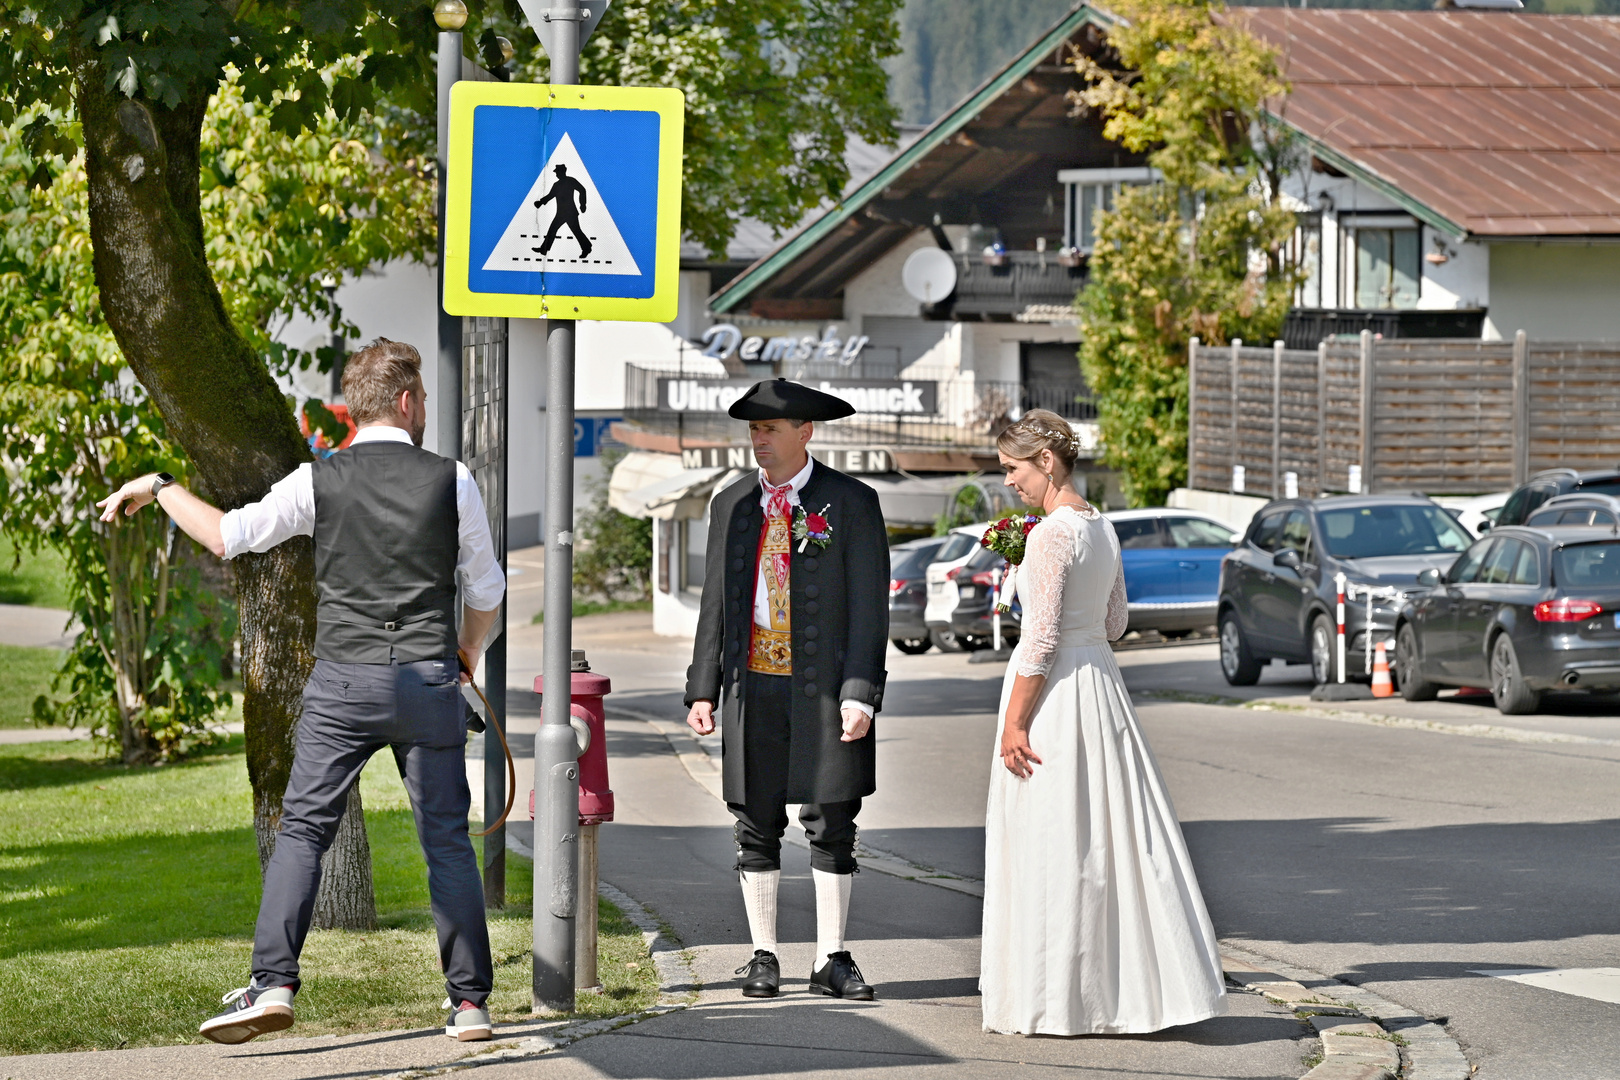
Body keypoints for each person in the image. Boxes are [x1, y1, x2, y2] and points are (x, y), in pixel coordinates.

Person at [96, 339, 506, 1045]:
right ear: (407, 403)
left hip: (343, 684)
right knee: (446, 843)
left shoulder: (317, 479)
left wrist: (161, 486)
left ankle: (274, 983)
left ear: (353, 407)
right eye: (424, 402)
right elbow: (488, 590)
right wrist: (467, 650)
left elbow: (228, 538)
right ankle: (469, 1005)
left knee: (304, 834)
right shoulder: (453, 480)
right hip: (427, 679)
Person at [980, 409, 1227, 1036]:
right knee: (1110, 836)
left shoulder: (1048, 536)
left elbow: (1039, 641)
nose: (1008, 482)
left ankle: (1055, 997)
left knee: (1054, 837)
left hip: (1056, 695)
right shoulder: (1103, 528)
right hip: (1100, 684)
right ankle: (1128, 990)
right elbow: (1115, 623)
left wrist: (1014, 723)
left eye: (1012, 469)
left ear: (1046, 461)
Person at [684, 378, 889, 1000]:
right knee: (754, 816)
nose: (759, 440)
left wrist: (860, 690)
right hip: (753, 685)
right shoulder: (732, 502)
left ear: (806, 432)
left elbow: (869, 608)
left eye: (770, 429)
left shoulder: (851, 500)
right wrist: (703, 687)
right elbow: (716, 602)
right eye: (753, 429)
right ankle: (764, 955)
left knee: (832, 818)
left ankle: (832, 957)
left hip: (826, 690)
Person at [533, 163, 592, 260]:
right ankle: (544, 249)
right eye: (556, 173)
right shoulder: (557, 185)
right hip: (561, 213)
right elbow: (550, 195)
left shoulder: (570, 181)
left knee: (576, 231)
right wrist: (540, 202)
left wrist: (582, 204)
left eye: (557, 172)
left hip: (570, 213)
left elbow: (582, 190)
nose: (556, 174)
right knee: (553, 230)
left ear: (562, 172)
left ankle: (587, 248)